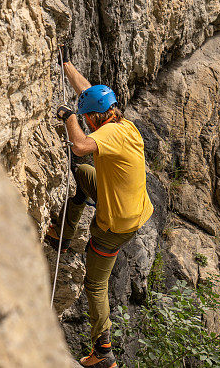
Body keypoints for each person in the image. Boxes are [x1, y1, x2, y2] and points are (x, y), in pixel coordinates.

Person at [46, 45, 154, 368]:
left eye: (86, 119)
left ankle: (104, 353)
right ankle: (63, 235)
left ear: (94, 118)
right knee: (82, 175)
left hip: (115, 227)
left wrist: (68, 117)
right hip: (132, 208)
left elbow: (79, 146)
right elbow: (90, 93)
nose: (86, 122)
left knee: (95, 283)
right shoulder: (123, 125)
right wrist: (66, 66)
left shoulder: (108, 135)